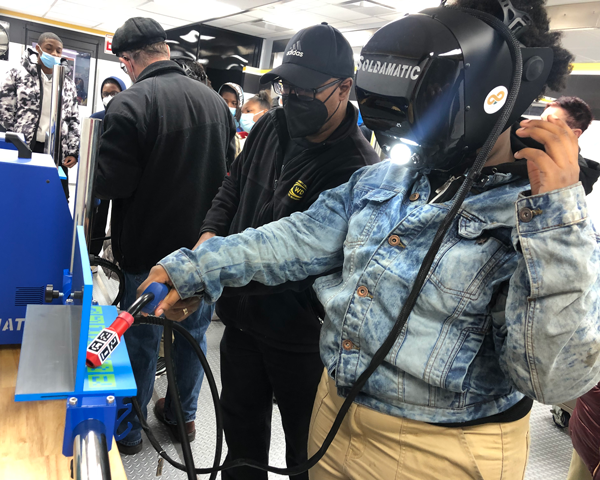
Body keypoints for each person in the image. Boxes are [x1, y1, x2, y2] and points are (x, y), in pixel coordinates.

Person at [143, 1, 600, 478]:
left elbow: (554, 376)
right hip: (336, 417)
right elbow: (295, 238)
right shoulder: (387, 179)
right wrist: (192, 268)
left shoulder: (545, 218)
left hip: (440, 451)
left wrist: (556, 221)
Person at [186, 23, 380, 480]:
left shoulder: (357, 170)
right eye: (284, 85)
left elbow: (309, 258)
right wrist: (210, 236)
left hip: (302, 339)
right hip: (241, 322)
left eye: (305, 89)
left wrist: (214, 271)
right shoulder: (272, 125)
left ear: (344, 88)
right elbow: (231, 188)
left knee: (304, 453)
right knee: (240, 441)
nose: (291, 96)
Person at [93, 17, 236, 455]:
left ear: (129, 60)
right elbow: (229, 178)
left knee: (140, 338)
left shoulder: (130, 105)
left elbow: (111, 186)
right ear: (166, 49)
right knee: (192, 336)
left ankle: (132, 430)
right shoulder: (216, 105)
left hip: (149, 254)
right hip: (201, 250)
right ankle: (182, 416)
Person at [0, 32, 80, 200]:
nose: (54, 54)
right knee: (20, 194)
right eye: (49, 49)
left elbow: (73, 119)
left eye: (59, 51)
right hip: (24, 146)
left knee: (56, 198)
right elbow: (4, 112)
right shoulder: (17, 74)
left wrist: (73, 151)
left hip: (56, 150)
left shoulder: (67, 84)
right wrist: (8, 145)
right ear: (38, 49)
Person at [90, 76, 127, 258]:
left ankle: (115, 256)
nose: (109, 97)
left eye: (114, 93)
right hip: (100, 176)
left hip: (123, 178)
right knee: (97, 218)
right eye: (105, 94)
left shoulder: (128, 119)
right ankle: (92, 256)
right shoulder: (96, 119)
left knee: (120, 219)